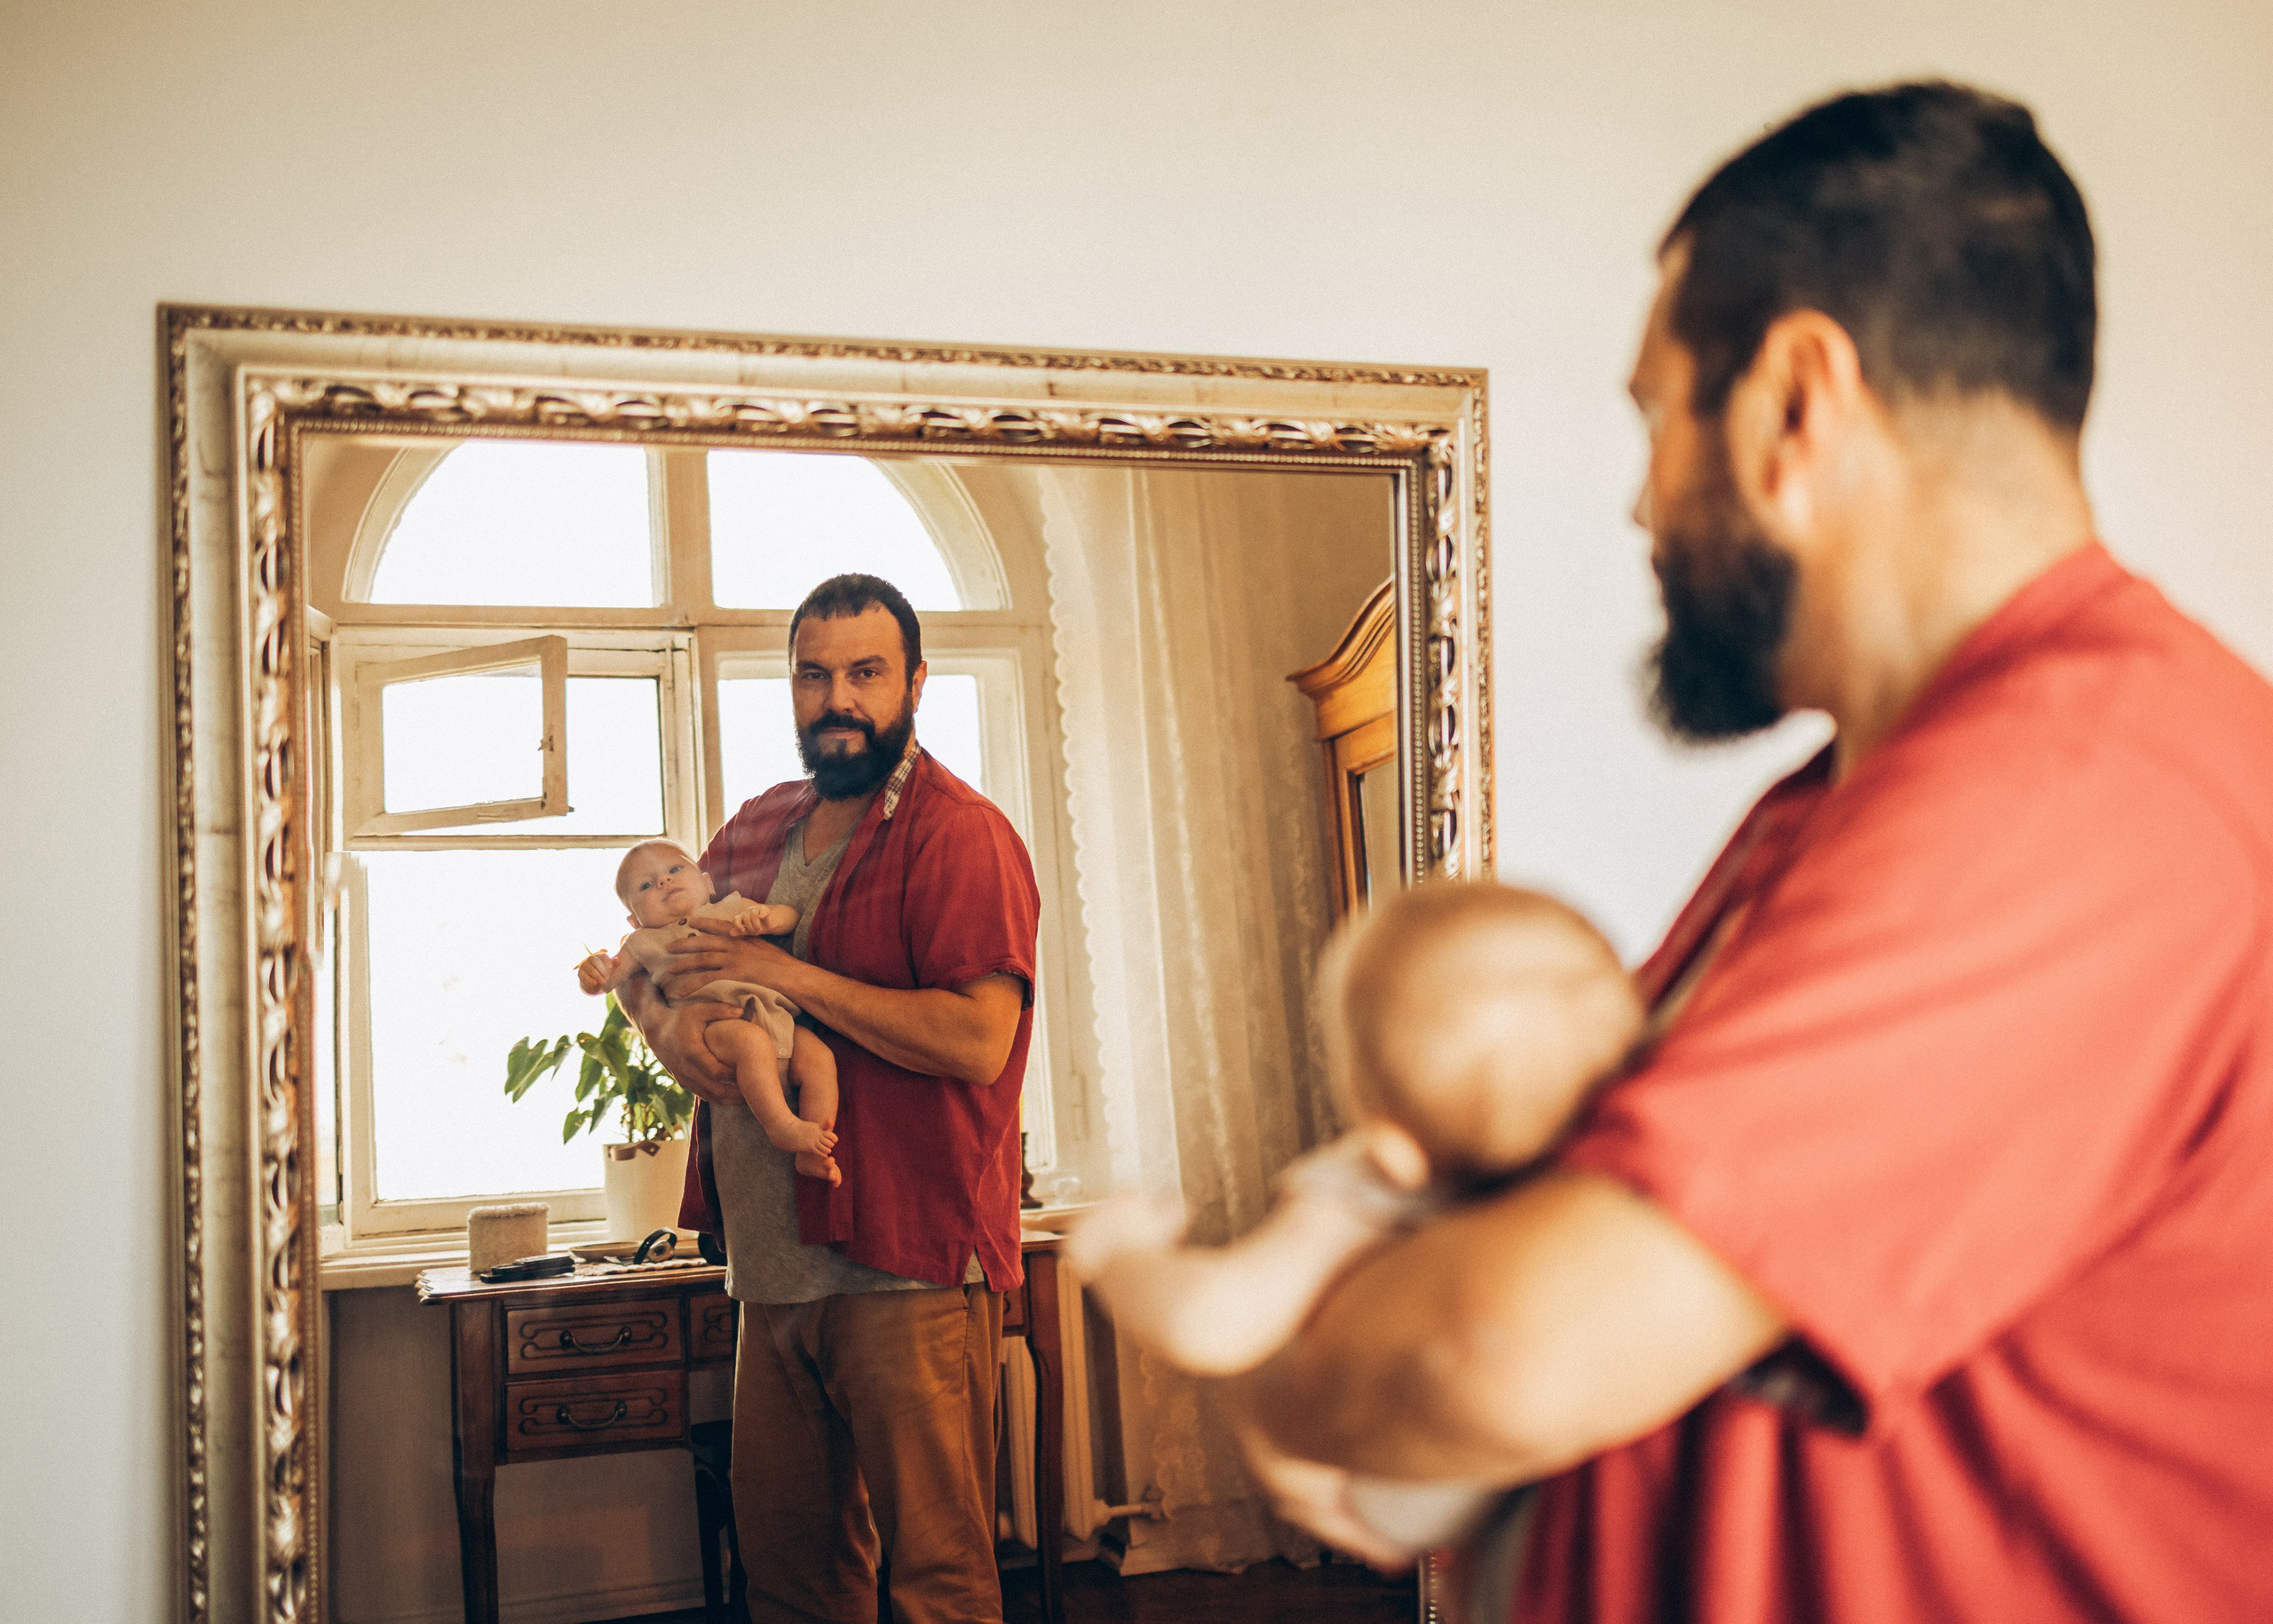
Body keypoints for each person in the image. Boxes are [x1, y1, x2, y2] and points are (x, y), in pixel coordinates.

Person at [1228, 81, 2273, 1622]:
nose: (1646, 493)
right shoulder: (1860, 789)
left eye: (1658, 414)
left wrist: (1300, 1371)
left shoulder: (2081, 787)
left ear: (1796, 401)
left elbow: (1494, 1351)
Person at [617, 573, 1040, 1624]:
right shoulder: (759, 826)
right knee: (794, 1578)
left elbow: (980, 1040)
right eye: (815, 674)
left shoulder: (961, 834)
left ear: (915, 684)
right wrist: (669, 1037)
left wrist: (799, 981)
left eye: (865, 672)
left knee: (937, 1581)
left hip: (907, 1262)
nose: (837, 696)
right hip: (772, 1269)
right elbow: (661, 962)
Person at [1069, 882, 1643, 1559]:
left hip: (1411, 1505)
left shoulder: (1364, 1193)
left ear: (1389, 1141)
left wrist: (1119, 1254)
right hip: (1573, 1517)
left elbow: (1210, 1321)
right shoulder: (1596, 1185)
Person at [576, 838, 841, 1182]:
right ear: (633, 919)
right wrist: (592, 972)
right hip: (714, 1024)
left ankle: (812, 1151)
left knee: (820, 1059)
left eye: (674, 869)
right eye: (646, 884)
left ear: (707, 883)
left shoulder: (733, 909)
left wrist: (770, 918)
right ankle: (782, 1126)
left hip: (775, 1017)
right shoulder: (642, 943)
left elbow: (791, 916)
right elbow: (608, 979)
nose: (663, 882)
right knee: (751, 1044)